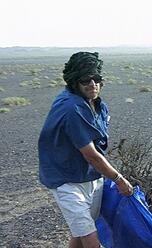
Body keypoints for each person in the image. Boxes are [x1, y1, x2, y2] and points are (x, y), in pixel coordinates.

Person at [38, 52, 133, 248]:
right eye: (85, 80)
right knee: (90, 238)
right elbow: (90, 154)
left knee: (80, 230)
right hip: (65, 179)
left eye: (96, 79)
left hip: (89, 176)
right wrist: (118, 179)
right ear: (75, 82)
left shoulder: (98, 105)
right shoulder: (72, 108)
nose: (92, 84)